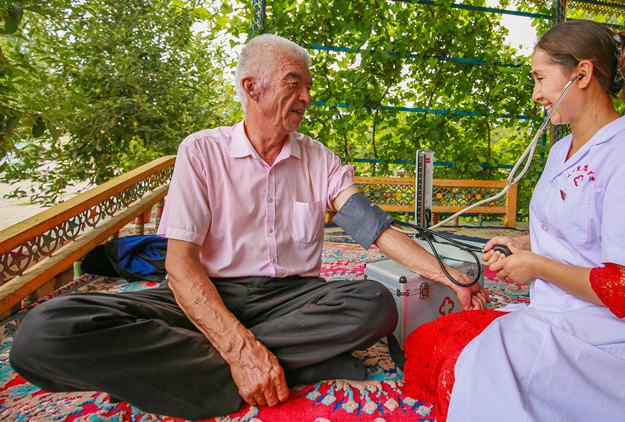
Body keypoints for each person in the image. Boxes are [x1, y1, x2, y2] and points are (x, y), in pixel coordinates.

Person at [10, 33, 487, 420]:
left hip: (294, 298)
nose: (305, 97)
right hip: (210, 294)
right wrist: (237, 349)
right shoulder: (201, 152)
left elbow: (375, 229)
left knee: (373, 303)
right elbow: (179, 265)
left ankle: (194, 373)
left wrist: (450, 277)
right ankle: (277, 362)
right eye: (293, 83)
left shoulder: (318, 158)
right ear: (252, 87)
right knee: (43, 333)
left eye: (307, 88)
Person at [403, 20, 625, 422]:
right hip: (557, 314)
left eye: (540, 78)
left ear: (582, 74)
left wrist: (536, 267)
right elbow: (573, 234)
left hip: (612, 338)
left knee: (462, 374)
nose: (536, 93)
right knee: (425, 343)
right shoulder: (561, 152)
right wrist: (525, 244)